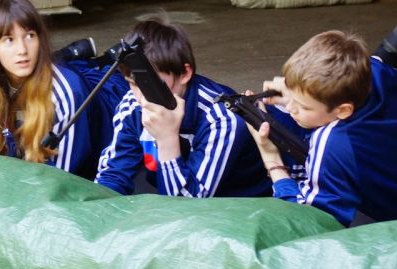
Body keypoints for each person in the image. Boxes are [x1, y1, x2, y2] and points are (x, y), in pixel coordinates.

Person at [247, 30, 397, 226]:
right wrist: (299, 93)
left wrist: (271, 160)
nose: (290, 108)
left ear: (343, 110)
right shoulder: (374, 80)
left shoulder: (332, 143)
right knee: (396, 87)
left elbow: (310, 219)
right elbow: (394, 86)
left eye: (303, 106)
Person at [94, 18, 271, 198]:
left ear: (185, 73)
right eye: (133, 83)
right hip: (167, 187)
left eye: (149, 83)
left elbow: (186, 206)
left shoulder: (221, 118)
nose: (141, 97)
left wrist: (166, 139)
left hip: (238, 203)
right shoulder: (132, 103)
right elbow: (113, 175)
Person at [0, 0, 92, 174]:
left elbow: (61, 179)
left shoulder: (65, 92)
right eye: (9, 39)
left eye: (30, 36)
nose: (22, 50)